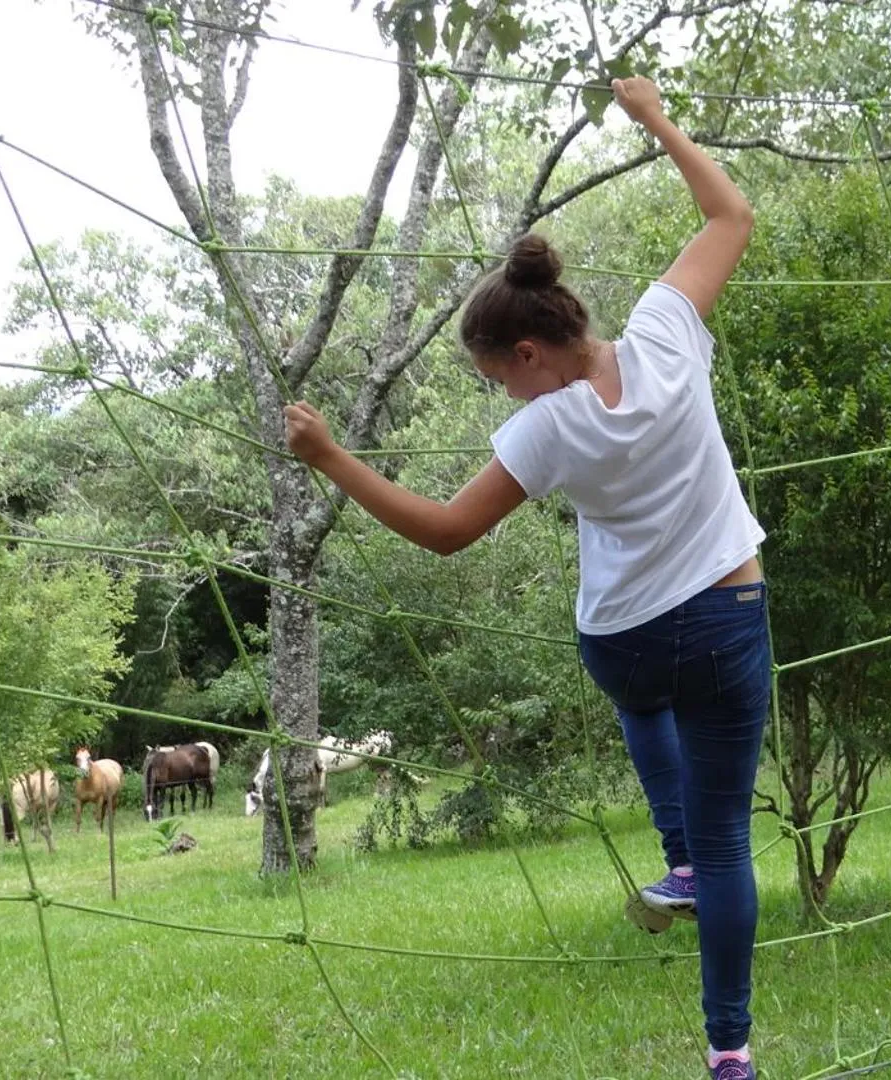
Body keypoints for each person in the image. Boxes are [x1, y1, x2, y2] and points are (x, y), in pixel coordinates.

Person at [283, 77, 766, 1080]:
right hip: (728, 614)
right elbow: (731, 213)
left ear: (532, 352)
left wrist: (333, 460)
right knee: (730, 848)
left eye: (497, 375)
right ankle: (728, 1050)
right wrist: (653, 118)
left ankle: (672, 857)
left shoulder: (544, 429)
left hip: (630, 640)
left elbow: (447, 531)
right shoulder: (669, 333)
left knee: (642, 701)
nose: (499, 391)